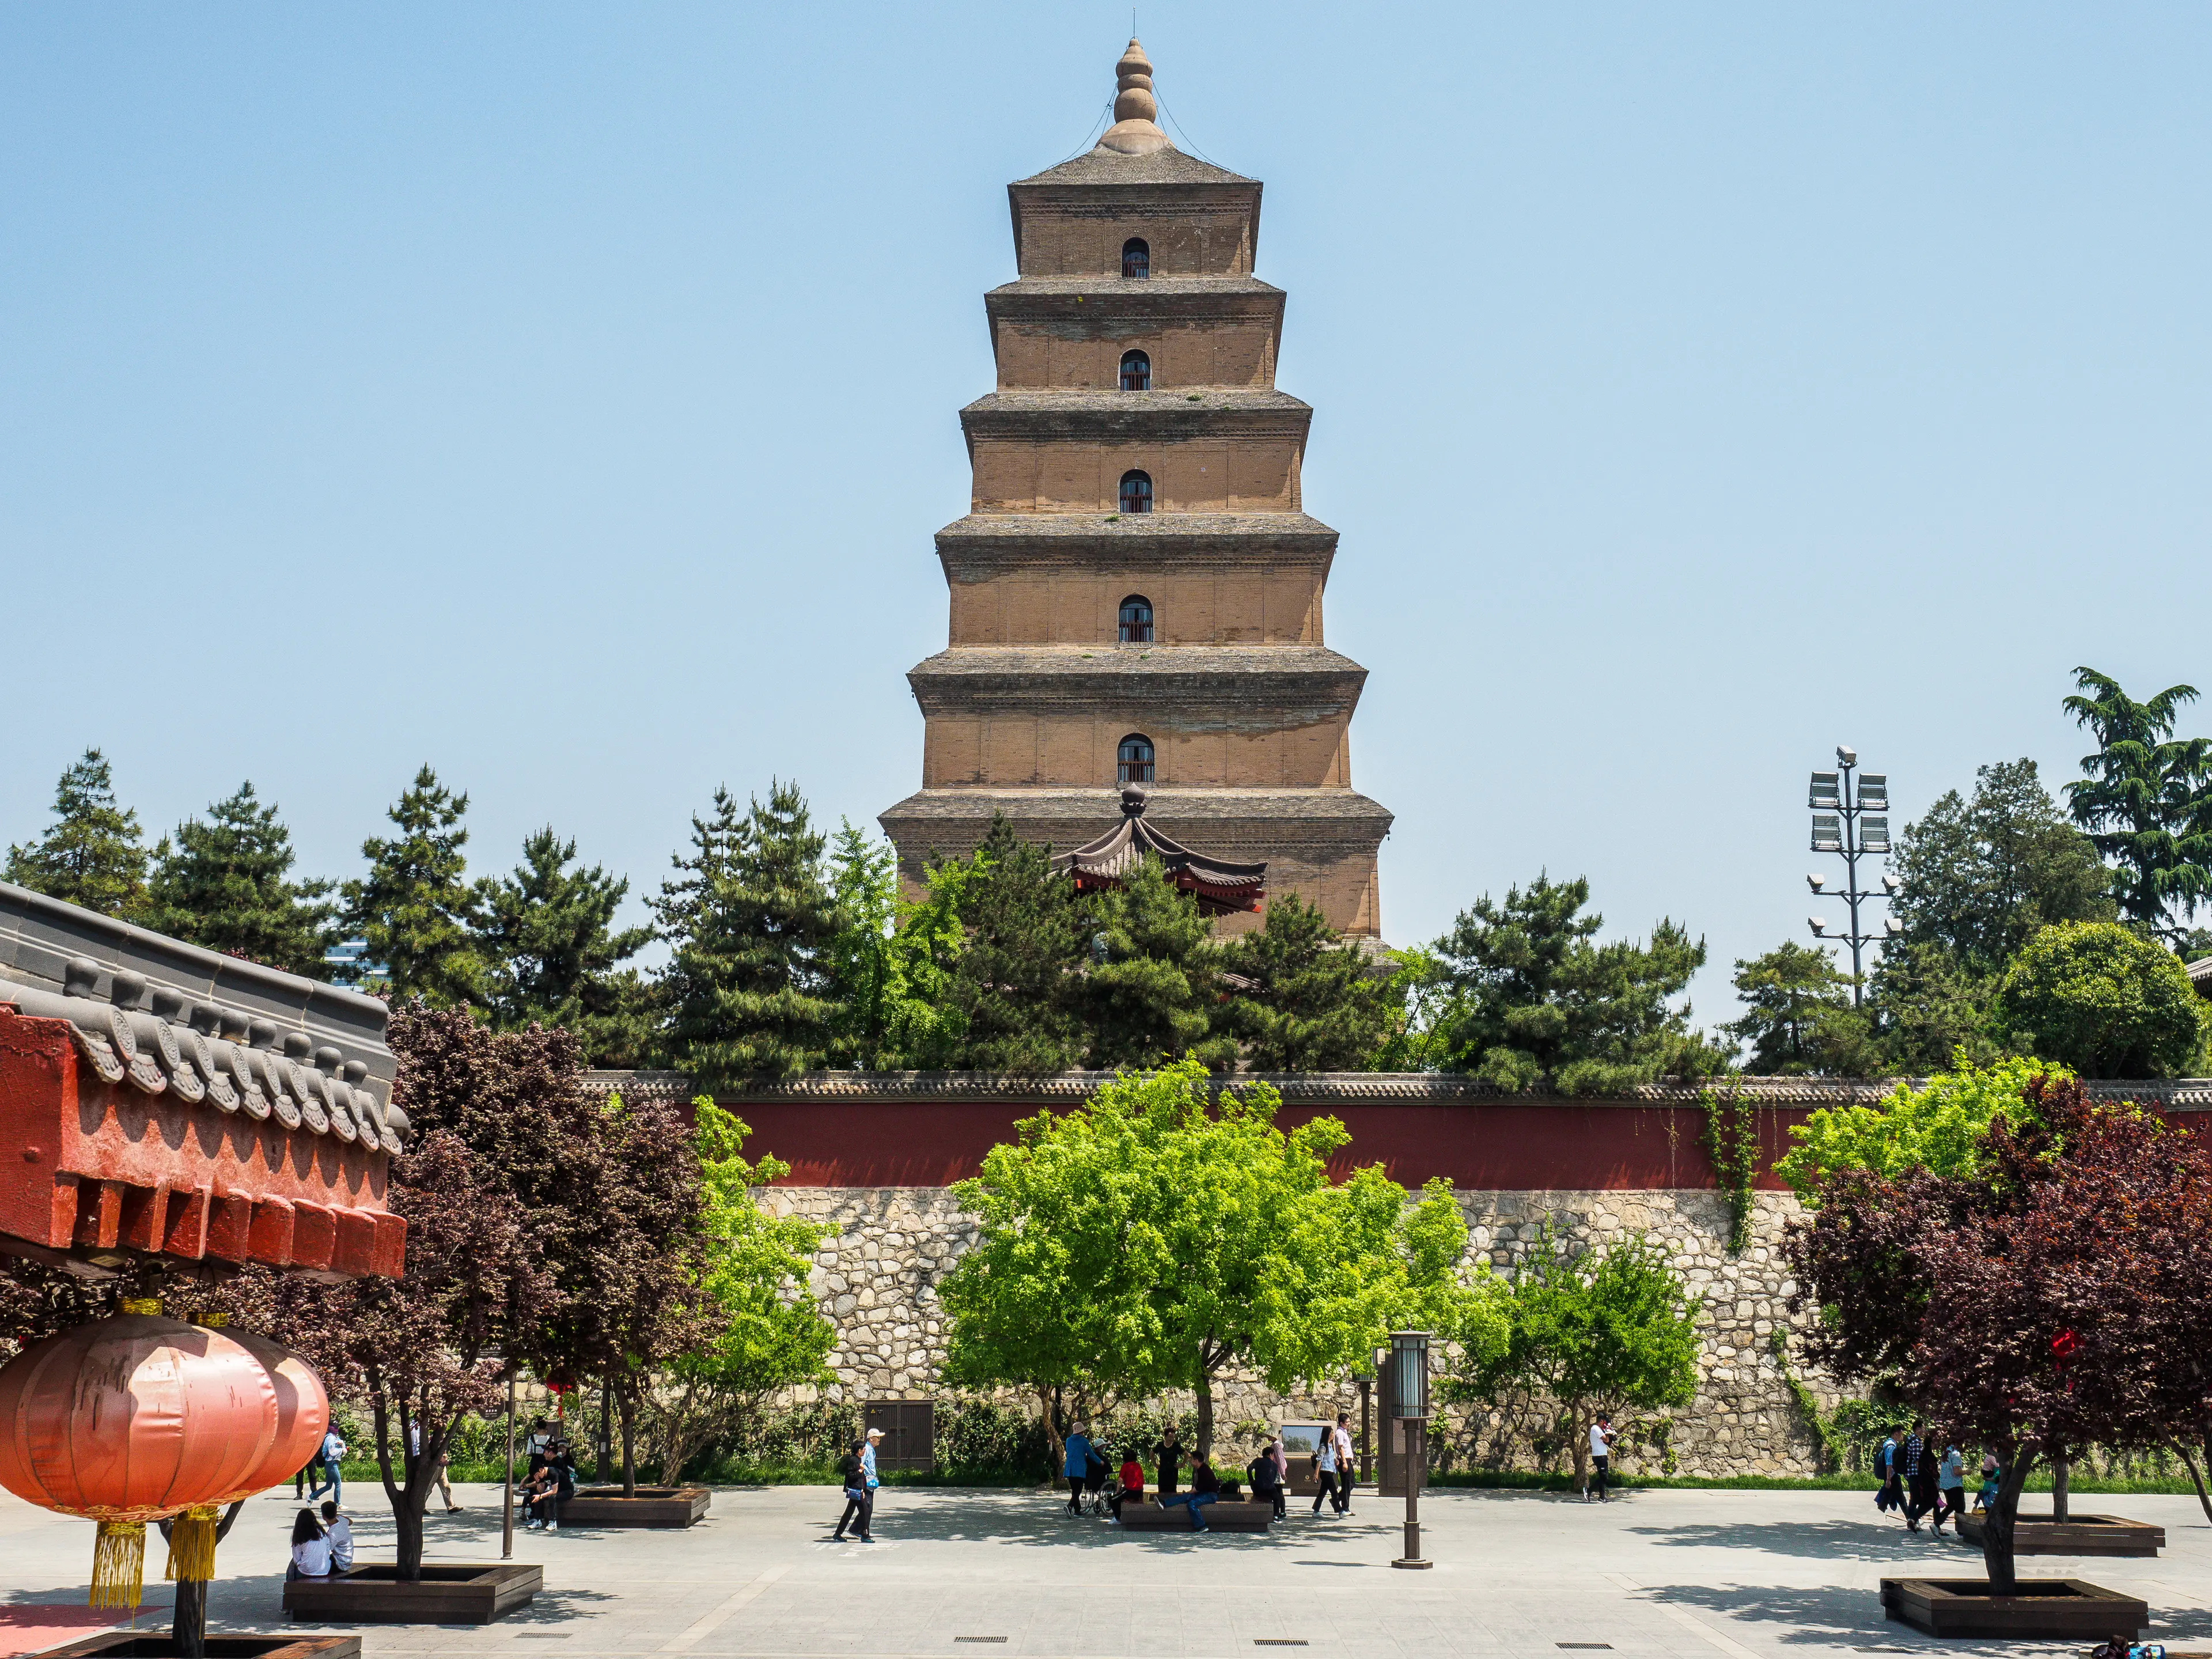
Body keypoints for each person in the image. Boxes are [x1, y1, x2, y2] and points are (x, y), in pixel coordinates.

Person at [410, 1420, 462, 1513]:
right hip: (435, 1467)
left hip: (441, 1468)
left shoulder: (439, 1438)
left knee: (446, 1487)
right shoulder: (432, 1438)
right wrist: (446, 1462)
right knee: (428, 1489)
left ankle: (451, 1506)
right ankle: (420, 1507)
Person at [833, 1438, 873, 1541]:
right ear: (859, 1450)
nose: (865, 1451)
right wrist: (860, 1471)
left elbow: (860, 1479)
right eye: (863, 1449)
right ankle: (865, 1535)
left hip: (859, 1491)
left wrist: (863, 1489)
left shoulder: (858, 1460)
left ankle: (838, 1534)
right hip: (856, 1492)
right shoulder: (853, 1460)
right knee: (866, 1511)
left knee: (849, 1513)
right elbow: (851, 1476)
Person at [1901, 1422, 1934, 1532]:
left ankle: (1913, 1521)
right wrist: (1923, 1474)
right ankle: (1913, 1521)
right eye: (1923, 1428)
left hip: (1910, 1473)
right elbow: (1917, 1460)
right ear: (1918, 1429)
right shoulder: (1916, 1442)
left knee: (1914, 1498)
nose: (1924, 1430)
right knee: (1915, 1498)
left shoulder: (1910, 1439)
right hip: (1914, 1473)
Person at [1178, 1454, 1221, 1532]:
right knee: (1187, 1498)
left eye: (1192, 1460)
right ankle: (1164, 1503)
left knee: (1191, 1504)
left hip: (1211, 1496)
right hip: (1206, 1493)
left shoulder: (1203, 1470)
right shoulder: (1202, 1468)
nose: (1191, 1462)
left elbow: (1198, 1487)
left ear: (1197, 1461)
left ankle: (1202, 1526)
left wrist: (1190, 1492)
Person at [306, 1424, 347, 1505]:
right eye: (335, 1427)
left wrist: (342, 1445)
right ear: (331, 1428)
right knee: (338, 1483)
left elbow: (340, 1447)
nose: (337, 1429)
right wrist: (342, 1451)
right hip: (331, 1463)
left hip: (332, 1463)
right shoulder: (330, 1438)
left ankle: (312, 1497)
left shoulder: (335, 1437)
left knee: (328, 1486)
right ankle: (338, 1504)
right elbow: (332, 1452)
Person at [1248, 1438, 1286, 1522]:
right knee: (1277, 1498)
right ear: (1271, 1455)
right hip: (1269, 1489)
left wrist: (1251, 1480)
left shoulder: (1257, 1461)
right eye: (1273, 1455)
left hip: (1257, 1488)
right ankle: (1276, 1517)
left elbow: (1249, 1468)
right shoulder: (1275, 1465)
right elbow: (1273, 1478)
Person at [287, 1508, 330, 1581]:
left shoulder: (300, 1535)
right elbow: (328, 1547)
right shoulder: (322, 1533)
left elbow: (296, 1559)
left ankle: (290, 1584)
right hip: (325, 1570)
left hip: (305, 1571)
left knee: (291, 1567)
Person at [1933, 1442, 1965, 1534]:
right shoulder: (1956, 1453)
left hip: (1945, 1483)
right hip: (1955, 1484)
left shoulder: (1945, 1452)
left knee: (1953, 1505)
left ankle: (1937, 1524)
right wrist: (1967, 1472)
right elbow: (1957, 1471)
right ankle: (1960, 1533)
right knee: (1960, 1507)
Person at [1311, 1419, 1342, 1515]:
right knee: (1334, 1491)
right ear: (1328, 1435)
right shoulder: (1323, 1447)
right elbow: (1319, 1460)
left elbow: (1332, 1457)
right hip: (1325, 1472)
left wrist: (1336, 1461)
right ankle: (1340, 1511)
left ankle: (1316, 1510)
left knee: (1323, 1492)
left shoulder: (1330, 1446)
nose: (1333, 1435)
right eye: (1332, 1433)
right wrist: (1316, 1474)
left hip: (1330, 1471)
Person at [1063, 1422, 1094, 1516]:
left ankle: (1077, 1510)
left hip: (1069, 1468)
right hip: (1079, 1469)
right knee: (1078, 1490)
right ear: (1081, 1432)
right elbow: (1091, 1454)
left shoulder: (1068, 1440)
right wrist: (1100, 1461)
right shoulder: (1084, 1441)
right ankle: (1069, 1506)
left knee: (1074, 1490)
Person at [1108, 1450, 1145, 1525]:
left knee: (1112, 1499)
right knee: (1120, 1497)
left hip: (1130, 1491)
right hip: (1140, 1491)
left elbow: (1120, 1480)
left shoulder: (1125, 1466)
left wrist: (1117, 1491)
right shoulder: (1138, 1465)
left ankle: (1117, 1518)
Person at [1331, 1414, 1357, 1516]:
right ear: (1341, 1423)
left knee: (1352, 1483)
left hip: (1348, 1460)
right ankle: (1345, 1507)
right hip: (1344, 1460)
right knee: (1346, 1484)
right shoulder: (1340, 1433)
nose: (1348, 1424)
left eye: (1349, 1422)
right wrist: (1344, 1462)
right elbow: (1341, 1448)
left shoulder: (1344, 1432)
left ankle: (1337, 1500)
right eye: (1347, 1422)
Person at [1586, 1414, 1615, 1503]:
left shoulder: (1599, 1429)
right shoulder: (1595, 1428)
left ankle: (1602, 1497)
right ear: (1601, 1421)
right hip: (1599, 1456)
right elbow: (1606, 1440)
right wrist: (1608, 1432)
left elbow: (1608, 1441)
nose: (1605, 1424)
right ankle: (1588, 1491)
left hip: (1602, 1455)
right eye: (1605, 1422)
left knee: (1603, 1476)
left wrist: (1611, 1433)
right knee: (1604, 1477)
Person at [319, 1500, 353, 1573]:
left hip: (340, 1564)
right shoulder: (342, 1519)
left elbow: (325, 1551)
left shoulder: (332, 1534)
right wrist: (339, 1516)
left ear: (323, 1517)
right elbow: (350, 1522)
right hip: (348, 1559)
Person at [1875, 1431, 1901, 1514]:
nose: (1902, 1436)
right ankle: (1912, 1519)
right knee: (1901, 1498)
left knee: (1890, 1491)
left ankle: (1882, 1504)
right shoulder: (1891, 1446)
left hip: (1890, 1474)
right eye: (1901, 1433)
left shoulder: (1887, 1443)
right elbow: (1889, 1463)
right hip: (1892, 1474)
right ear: (1895, 1434)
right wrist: (1889, 1478)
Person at [1154, 1426, 1182, 1501]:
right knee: (1162, 1489)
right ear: (1165, 1437)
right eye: (1170, 1437)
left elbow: (1186, 1455)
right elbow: (1152, 1453)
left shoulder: (1176, 1445)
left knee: (1172, 1490)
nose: (1172, 1439)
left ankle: (1172, 1505)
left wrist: (1182, 1464)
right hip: (1163, 1471)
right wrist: (1155, 1464)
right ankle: (1161, 1503)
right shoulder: (1160, 1445)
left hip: (1173, 1471)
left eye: (1173, 1437)